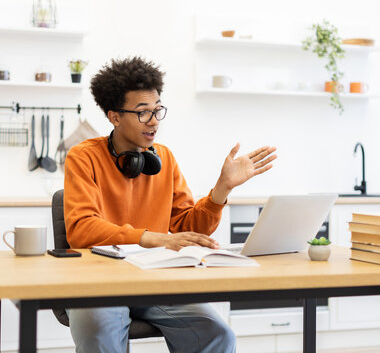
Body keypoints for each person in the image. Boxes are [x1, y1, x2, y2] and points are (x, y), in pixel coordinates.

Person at [64, 56, 277, 353]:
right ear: (114, 117)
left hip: (155, 280)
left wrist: (221, 189)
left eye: (157, 110)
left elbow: (187, 228)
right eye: (142, 113)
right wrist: (154, 238)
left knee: (218, 334)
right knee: (100, 330)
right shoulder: (83, 157)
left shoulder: (163, 158)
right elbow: (80, 229)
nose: (153, 121)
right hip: (99, 283)